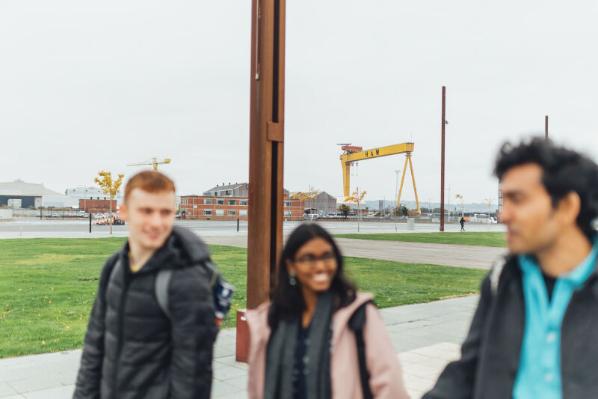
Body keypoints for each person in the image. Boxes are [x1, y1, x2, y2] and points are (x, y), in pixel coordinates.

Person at [424, 138, 598, 399]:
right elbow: (468, 370)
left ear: (566, 207)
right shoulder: (502, 278)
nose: (504, 215)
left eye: (517, 200)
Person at [73, 171, 219, 399]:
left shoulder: (186, 279)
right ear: (124, 212)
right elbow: (94, 345)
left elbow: (193, 376)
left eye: (166, 212)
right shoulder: (114, 267)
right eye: (146, 211)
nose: (157, 222)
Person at [247, 223, 409, 399]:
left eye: (327, 256)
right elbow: (257, 384)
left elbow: (390, 384)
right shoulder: (272, 318)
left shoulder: (359, 315)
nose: (320, 266)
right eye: (308, 258)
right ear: (291, 266)